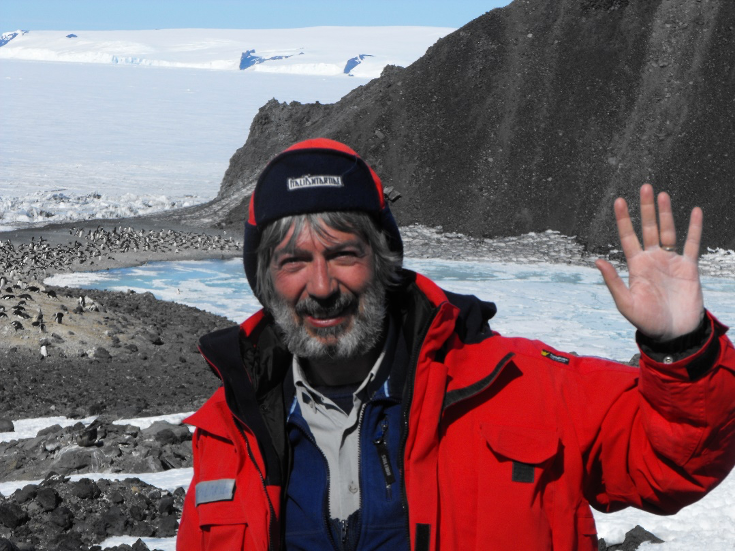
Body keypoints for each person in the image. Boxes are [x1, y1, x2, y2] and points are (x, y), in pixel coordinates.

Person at [176, 138, 735, 551]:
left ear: (385, 262)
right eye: (294, 262)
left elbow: (674, 462)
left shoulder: (521, 384)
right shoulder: (228, 433)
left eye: (343, 253)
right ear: (264, 279)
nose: (321, 288)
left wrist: (681, 347)